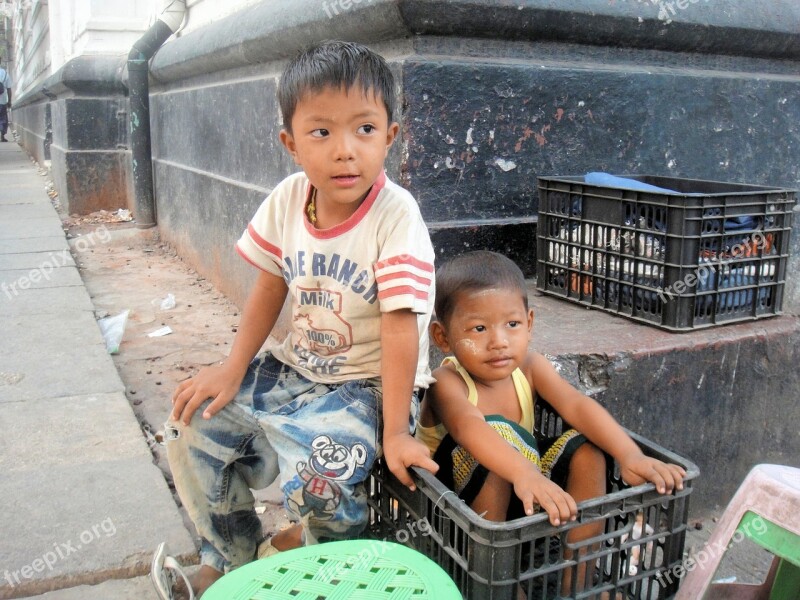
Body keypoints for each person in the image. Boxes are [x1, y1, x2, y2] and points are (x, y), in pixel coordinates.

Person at [158, 40, 438, 599]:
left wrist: (395, 433)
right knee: (190, 424)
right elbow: (270, 282)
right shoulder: (289, 199)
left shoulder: (396, 215)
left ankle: (322, 572)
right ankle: (233, 559)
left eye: (364, 129)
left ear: (391, 136)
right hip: (295, 370)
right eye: (321, 132)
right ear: (290, 143)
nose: (344, 151)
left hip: (368, 384)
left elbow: (401, 325)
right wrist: (232, 369)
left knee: (322, 478)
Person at [416, 250, 685, 595]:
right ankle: (496, 585)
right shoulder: (446, 382)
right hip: (457, 516)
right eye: (479, 328)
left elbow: (576, 404)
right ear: (443, 337)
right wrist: (524, 473)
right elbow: (470, 427)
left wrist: (629, 455)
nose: (499, 341)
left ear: (528, 323)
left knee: (589, 451)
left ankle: (579, 583)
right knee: (497, 441)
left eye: (511, 325)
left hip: (524, 493)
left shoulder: (529, 366)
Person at [0, 58, 12, 142]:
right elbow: (9, 89)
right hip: (2, 101)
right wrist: (9, 101)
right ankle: (2, 135)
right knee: (3, 118)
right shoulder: (5, 73)